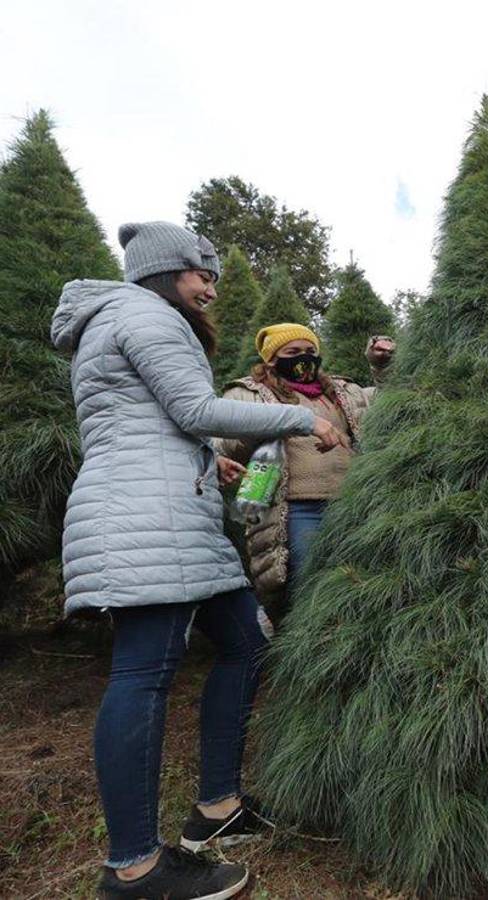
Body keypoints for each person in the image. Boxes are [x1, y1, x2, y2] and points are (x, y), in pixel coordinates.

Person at [50, 222, 349, 900]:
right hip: (145, 517)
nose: (209, 285)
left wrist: (202, 458)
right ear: (162, 272)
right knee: (145, 672)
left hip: (167, 509)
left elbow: (142, 420)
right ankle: (133, 867)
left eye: (212, 273)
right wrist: (301, 420)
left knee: (246, 641)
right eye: (198, 271)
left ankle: (216, 806)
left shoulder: (124, 317)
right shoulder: (145, 313)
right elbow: (191, 406)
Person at [215, 324, 373, 619]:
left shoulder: (341, 392)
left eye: (311, 351)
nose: (304, 358)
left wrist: (380, 366)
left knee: (354, 582)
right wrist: (271, 424)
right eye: (293, 352)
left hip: (350, 504)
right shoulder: (247, 393)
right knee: (307, 585)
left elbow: (387, 404)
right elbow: (223, 443)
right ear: (272, 358)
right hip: (296, 508)